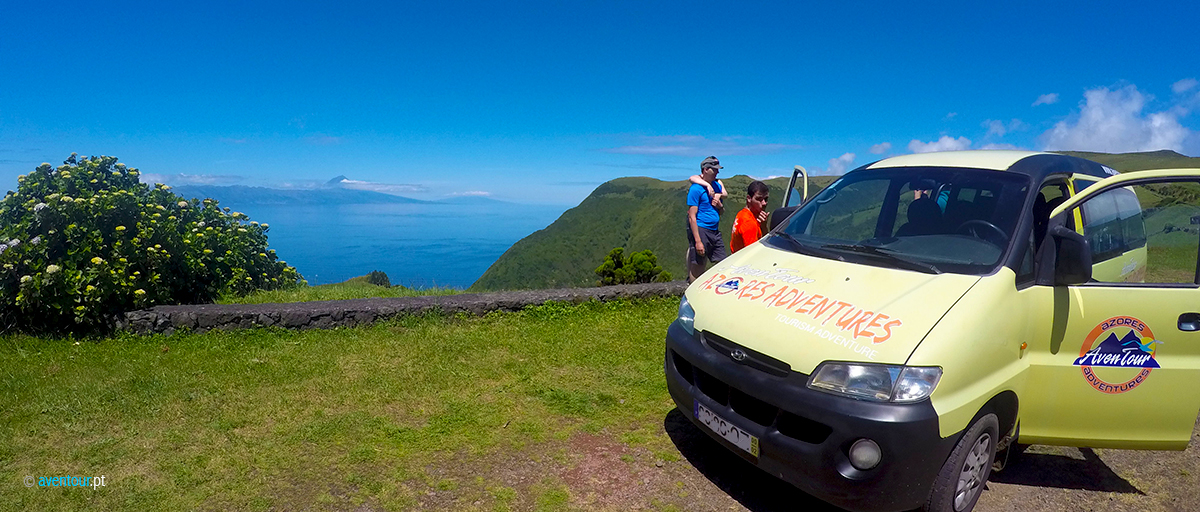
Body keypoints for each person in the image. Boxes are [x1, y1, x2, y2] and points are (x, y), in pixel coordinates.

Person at [686, 156, 727, 282]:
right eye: (714, 169)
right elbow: (692, 216)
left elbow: (720, 211)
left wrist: (720, 206)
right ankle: (692, 291)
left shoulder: (716, 186)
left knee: (722, 263)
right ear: (705, 169)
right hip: (702, 228)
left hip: (714, 230)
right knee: (699, 264)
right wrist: (697, 241)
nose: (717, 172)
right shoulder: (696, 189)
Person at [730, 180, 769, 253]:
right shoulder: (749, 222)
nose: (764, 203)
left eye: (766, 199)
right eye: (759, 199)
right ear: (749, 198)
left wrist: (763, 226)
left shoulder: (742, 214)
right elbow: (753, 254)